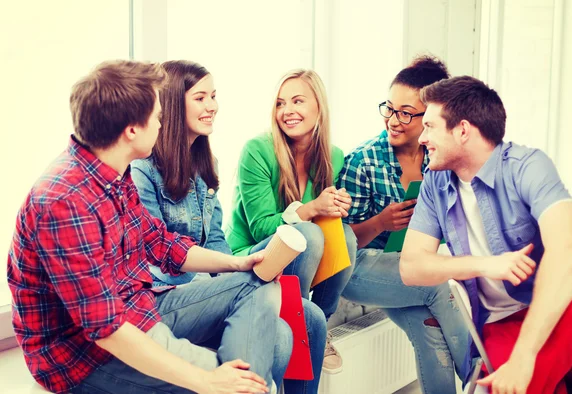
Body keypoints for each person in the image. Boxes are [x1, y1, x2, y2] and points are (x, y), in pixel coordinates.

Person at [7, 60, 291, 394]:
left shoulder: (113, 170)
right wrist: (208, 381)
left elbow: (159, 242)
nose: (162, 123)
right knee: (255, 375)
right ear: (131, 130)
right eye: (157, 117)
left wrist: (237, 263)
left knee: (260, 284)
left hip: (139, 309)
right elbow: (106, 329)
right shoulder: (64, 203)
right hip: (85, 357)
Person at [130, 60, 327, 393]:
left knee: (312, 319)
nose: (213, 106)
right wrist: (228, 280)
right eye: (201, 98)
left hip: (211, 282)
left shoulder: (206, 164)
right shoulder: (142, 169)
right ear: (174, 104)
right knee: (275, 327)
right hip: (170, 294)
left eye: (214, 96)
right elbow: (151, 255)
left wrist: (226, 276)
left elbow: (216, 238)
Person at [401, 75, 572, 394]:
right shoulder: (434, 185)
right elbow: (410, 268)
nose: (422, 137)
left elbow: (570, 252)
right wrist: (484, 264)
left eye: (429, 126)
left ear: (462, 130)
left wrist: (524, 357)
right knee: (504, 386)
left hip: (562, 309)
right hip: (499, 326)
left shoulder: (528, 166)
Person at [338, 56, 469, 394]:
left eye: (407, 113)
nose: (394, 121)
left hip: (404, 267)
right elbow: (339, 245)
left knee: (430, 334)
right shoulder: (364, 160)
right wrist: (382, 222)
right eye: (389, 108)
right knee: (436, 282)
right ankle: (484, 377)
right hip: (356, 268)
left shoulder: (438, 161)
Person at [226, 69, 358, 381]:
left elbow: (329, 230)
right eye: (280, 103)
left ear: (318, 107)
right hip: (251, 255)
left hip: (299, 262)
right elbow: (260, 228)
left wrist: (336, 208)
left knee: (346, 235)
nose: (287, 111)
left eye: (297, 101)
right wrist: (312, 209)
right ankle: (298, 323)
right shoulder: (257, 150)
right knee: (307, 233)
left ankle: (318, 326)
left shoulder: (334, 156)